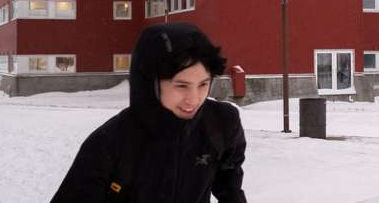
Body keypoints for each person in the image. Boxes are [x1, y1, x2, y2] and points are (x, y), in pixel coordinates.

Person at [51, 22, 247, 203]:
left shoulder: (220, 125)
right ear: (150, 84)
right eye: (181, 86)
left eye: (203, 84)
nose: (194, 99)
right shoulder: (110, 142)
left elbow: (229, 188)